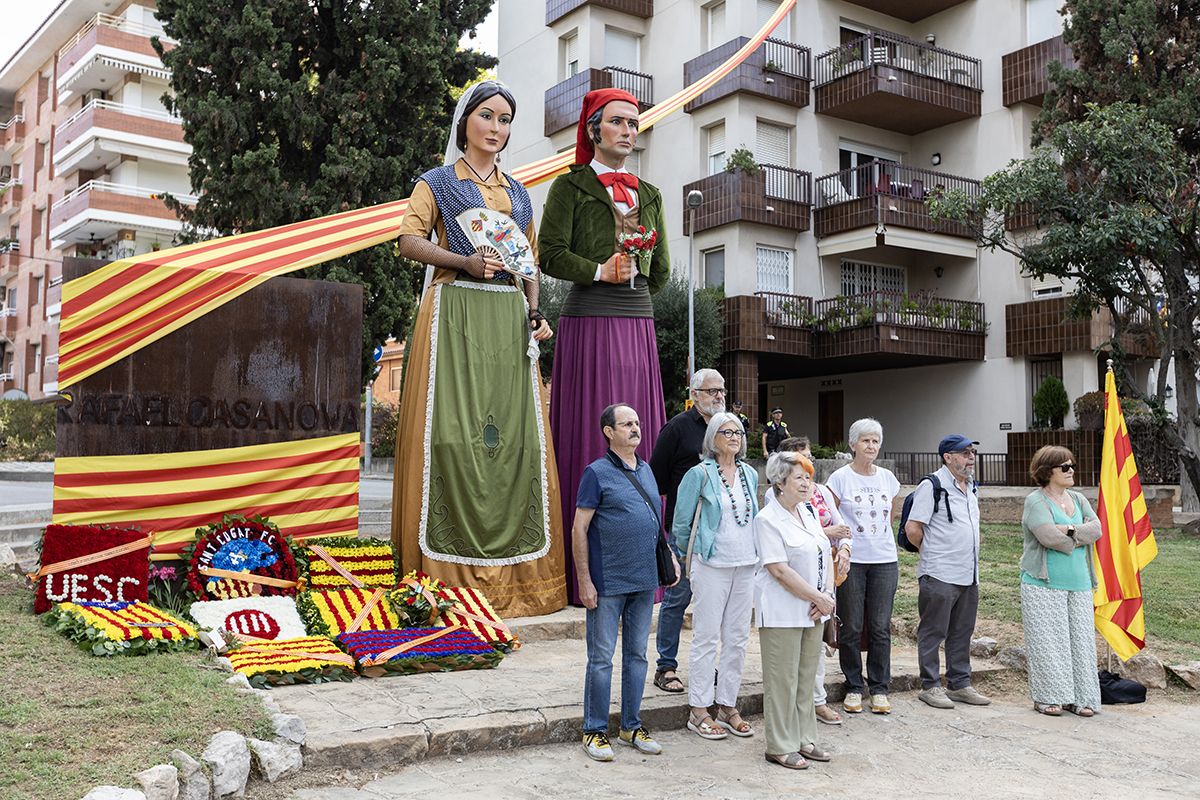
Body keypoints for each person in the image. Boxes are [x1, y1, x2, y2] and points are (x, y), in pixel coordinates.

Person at [389, 81, 566, 618]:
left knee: (514, 438)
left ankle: (518, 581)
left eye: (506, 120)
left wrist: (535, 311)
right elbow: (407, 241)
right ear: (466, 122)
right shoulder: (437, 182)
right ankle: (442, 578)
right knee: (448, 434)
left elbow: (528, 262)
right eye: (487, 116)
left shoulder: (519, 193)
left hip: (508, 317)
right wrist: (462, 260)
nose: (497, 127)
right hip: (455, 312)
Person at [540, 88, 671, 604]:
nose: (627, 132)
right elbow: (548, 253)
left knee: (640, 428)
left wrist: (637, 275)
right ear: (594, 129)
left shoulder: (652, 193)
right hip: (588, 319)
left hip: (636, 321)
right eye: (617, 122)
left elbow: (662, 272)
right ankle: (582, 577)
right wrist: (599, 270)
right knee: (588, 426)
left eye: (634, 124)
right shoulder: (569, 187)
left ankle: (646, 571)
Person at [574, 403, 678, 761]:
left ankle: (631, 725)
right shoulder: (596, 473)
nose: (635, 428)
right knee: (601, 657)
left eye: (637, 422)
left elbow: (655, 522)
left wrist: (671, 558)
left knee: (637, 656)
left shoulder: (647, 470)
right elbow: (579, 529)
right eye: (626, 424)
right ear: (608, 431)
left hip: (644, 579)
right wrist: (584, 581)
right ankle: (594, 730)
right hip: (607, 583)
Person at [671, 412, 759, 740]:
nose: (734, 437)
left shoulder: (749, 473)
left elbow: (755, 518)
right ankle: (699, 709)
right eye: (726, 431)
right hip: (711, 565)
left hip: (746, 563)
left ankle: (727, 704)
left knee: (737, 638)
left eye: (738, 432)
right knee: (707, 637)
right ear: (712, 437)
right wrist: (688, 558)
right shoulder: (700, 474)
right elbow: (681, 523)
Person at [754, 451, 835, 769]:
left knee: (804, 677)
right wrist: (818, 596)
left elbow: (824, 553)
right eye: (799, 477)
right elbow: (778, 569)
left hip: (814, 609)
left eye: (809, 477)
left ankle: (804, 738)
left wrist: (825, 594)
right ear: (779, 482)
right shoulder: (767, 519)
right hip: (782, 610)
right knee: (782, 679)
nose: (806, 483)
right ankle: (780, 744)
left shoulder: (809, 512)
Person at [765, 436, 853, 725]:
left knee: (816, 652)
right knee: (789, 666)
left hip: (823, 584)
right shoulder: (772, 507)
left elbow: (842, 529)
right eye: (799, 470)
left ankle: (814, 707)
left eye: (809, 463)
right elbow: (780, 563)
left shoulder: (818, 497)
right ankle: (787, 729)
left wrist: (826, 592)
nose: (806, 477)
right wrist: (831, 534)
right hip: (795, 592)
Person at [649, 367, 726, 694]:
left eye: (721, 390)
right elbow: (657, 480)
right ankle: (666, 667)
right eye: (711, 391)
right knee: (677, 599)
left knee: (717, 603)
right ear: (694, 395)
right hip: (686, 533)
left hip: (723, 531)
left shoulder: (729, 429)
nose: (719, 396)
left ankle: (711, 666)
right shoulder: (677, 429)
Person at [905, 433, 992, 710]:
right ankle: (930, 686)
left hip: (969, 573)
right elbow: (913, 528)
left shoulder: (971, 486)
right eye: (965, 453)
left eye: (972, 453)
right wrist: (933, 555)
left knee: (962, 631)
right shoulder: (932, 486)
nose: (971, 458)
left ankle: (960, 684)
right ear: (948, 457)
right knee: (933, 630)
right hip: (940, 573)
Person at [1020, 445, 1103, 717]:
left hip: (1079, 582)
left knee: (1081, 642)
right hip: (1043, 583)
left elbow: (1097, 529)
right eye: (1064, 467)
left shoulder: (1078, 499)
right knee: (1049, 642)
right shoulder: (1036, 501)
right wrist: (1078, 537)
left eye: (1072, 466)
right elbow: (1047, 537)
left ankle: (1082, 698)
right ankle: (1049, 697)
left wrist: (1068, 530)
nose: (1071, 471)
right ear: (1047, 471)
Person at [825, 418, 900, 715]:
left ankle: (880, 688)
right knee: (852, 624)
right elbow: (830, 516)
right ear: (853, 443)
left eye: (875, 441)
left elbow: (890, 515)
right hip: (851, 560)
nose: (871, 446)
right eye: (865, 440)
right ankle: (854, 685)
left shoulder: (888, 478)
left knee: (881, 626)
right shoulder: (840, 478)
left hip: (884, 559)